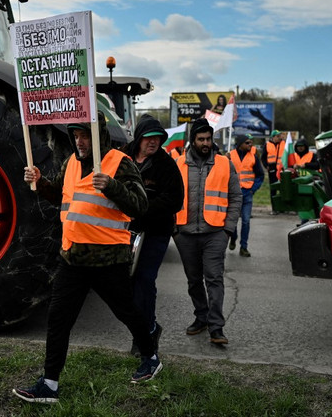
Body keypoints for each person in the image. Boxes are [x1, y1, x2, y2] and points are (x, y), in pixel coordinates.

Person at [14, 111, 161, 404]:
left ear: (99, 134)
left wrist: (113, 186)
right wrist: (41, 182)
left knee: (127, 312)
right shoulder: (70, 162)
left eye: (85, 135)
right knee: (58, 319)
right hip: (72, 258)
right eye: (76, 135)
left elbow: (141, 205)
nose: (80, 141)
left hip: (108, 260)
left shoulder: (121, 163)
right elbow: (60, 195)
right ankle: (50, 384)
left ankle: (150, 355)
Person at [173, 119, 242, 345]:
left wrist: (228, 229)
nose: (205, 143)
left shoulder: (224, 163)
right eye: (201, 139)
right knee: (194, 280)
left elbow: (235, 197)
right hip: (185, 232)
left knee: (214, 278)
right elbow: (169, 197)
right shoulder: (179, 163)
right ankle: (201, 317)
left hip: (215, 232)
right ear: (192, 140)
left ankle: (216, 327)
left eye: (208, 139)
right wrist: (174, 228)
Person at [123, 116, 184, 357]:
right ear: (139, 138)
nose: (154, 141)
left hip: (156, 231)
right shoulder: (123, 158)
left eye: (158, 137)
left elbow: (175, 200)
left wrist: (142, 207)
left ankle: (145, 335)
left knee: (144, 281)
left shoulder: (166, 165)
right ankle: (147, 329)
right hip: (126, 231)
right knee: (126, 284)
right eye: (149, 137)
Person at [228, 134, 264, 257]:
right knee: (232, 221)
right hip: (233, 194)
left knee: (246, 221)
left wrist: (253, 189)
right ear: (240, 144)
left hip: (247, 193)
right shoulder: (229, 156)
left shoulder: (253, 157)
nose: (250, 145)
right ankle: (233, 237)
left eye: (251, 143)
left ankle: (244, 247)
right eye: (247, 143)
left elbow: (260, 175)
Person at [262, 129, 285, 213]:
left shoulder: (283, 144)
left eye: (280, 136)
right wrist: (266, 166)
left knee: (283, 189)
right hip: (272, 169)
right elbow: (263, 157)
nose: (280, 138)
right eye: (278, 136)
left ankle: (283, 208)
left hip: (282, 169)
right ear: (273, 137)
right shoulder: (267, 145)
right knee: (273, 189)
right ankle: (274, 208)